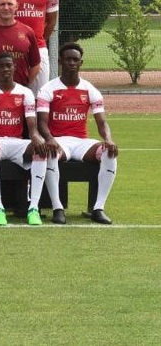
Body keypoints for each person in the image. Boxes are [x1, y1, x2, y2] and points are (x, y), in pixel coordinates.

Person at [36, 43, 118, 224]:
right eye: (67, 59)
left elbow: (102, 122)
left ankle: (98, 209)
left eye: (75, 60)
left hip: (82, 143)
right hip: (59, 141)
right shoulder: (48, 89)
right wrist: (49, 139)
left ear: (81, 62)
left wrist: (108, 139)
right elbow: (41, 122)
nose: (71, 63)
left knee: (109, 152)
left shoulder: (90, 89)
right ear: (60, 61)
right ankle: (58, 208)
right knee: (49, 153)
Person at [0, 52, 48, 226]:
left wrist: (37, 137)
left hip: (17, 143)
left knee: (40, 150)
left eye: (9, 65)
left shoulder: (26, 92)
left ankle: (34, 208)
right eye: (2, 66)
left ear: (15, 67)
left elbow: (32, 127)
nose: (6, 69)